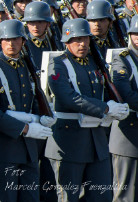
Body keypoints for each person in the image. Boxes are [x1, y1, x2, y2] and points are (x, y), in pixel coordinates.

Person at [46, 18, 129, 201]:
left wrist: (116, 105)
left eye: (85, 39)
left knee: (102, 196)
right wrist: (106, 108)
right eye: (76, 40)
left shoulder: (93, 62)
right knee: (69, 197)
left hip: (96, 143)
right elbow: (68, 97)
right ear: (67, 41)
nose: (82, 44)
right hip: (70, 142)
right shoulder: (58, 64)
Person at [0, 19, 54, 202]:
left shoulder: (26, 67)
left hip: (28, 149)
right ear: (0, 42)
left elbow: (35, 98)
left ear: (23, 41)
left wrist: (43, 116)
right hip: (4, 148)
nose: (11, 44)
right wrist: (25, 128)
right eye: (7, 40)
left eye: (16, 39)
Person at [110, 15, 138, 201]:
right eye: (136, 34)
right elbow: (125, 95)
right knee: (125, 194)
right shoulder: (122, 60)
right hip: (129, 135)